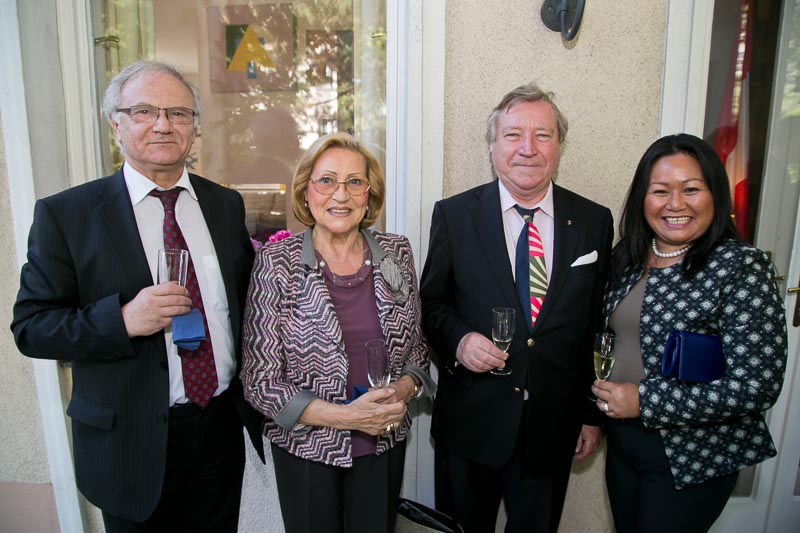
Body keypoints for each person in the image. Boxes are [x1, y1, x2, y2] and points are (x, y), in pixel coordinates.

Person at [11, 60, 264, 532]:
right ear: (116, 124)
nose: (163, 125)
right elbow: (32, 329)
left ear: (194, 126)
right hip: (128, 442)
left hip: (218, 431)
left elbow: (245, 306)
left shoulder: (223, 203)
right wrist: (124, 319)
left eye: (178, 113)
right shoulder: (67, 215)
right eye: (144, 111)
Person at [420, 83, 614, 532]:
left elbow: (595, 323)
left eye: (542, 135)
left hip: (552, 427)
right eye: (512, 135)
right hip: (471, 425)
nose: (528, 148)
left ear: (559, 146)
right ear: (492, 146)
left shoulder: (594, 221)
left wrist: (590, 415)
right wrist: (459, 341)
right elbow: (431, 303)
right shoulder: (454, 215)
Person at [591, 133, 788, 532]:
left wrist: (645, 400)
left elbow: (757, 385)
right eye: (660, 191)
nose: (675, 204)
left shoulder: (740, 267)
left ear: (715, 194)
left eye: (691, 189)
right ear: (642, 198)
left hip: (691, 458)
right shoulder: (627, 258)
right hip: (624, 447)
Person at [241, 132, 434, 533]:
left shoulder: (397, 252)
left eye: (355, 182)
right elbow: (260, 381)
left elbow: (417, 351)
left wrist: (401, 392)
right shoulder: (276, 262)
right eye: (327, 181)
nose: (341, 195)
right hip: (306, 450)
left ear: (369, 193)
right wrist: (348, 418)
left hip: (382, 443)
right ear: (306, 191)